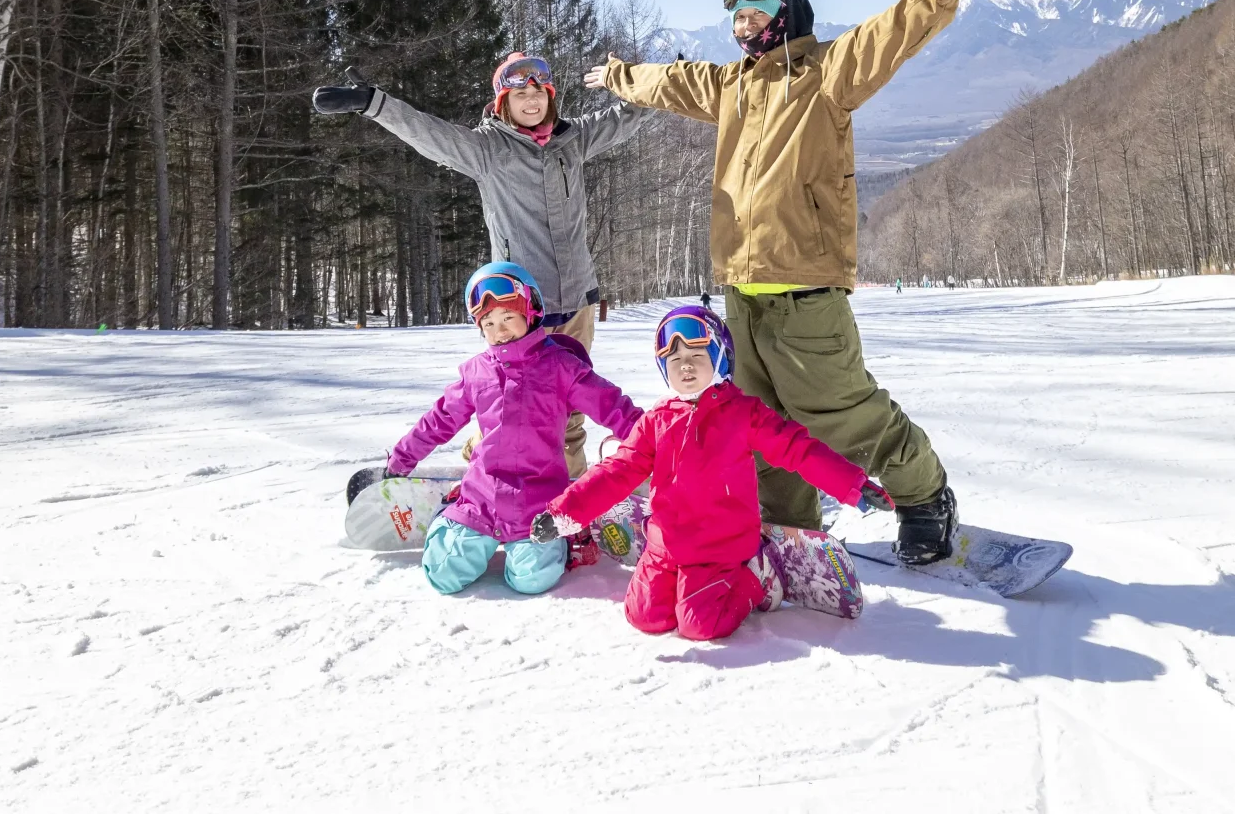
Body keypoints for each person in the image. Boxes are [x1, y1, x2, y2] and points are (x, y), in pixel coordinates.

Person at [581, 0, 1002, 565]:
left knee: (842, 412)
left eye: (756, 14)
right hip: (741, 291)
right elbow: (669, 80)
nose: (745, 26)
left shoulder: (825, 72)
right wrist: (619, 75)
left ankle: (924, 498)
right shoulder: (730, 86)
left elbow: (887, 35)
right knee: (760, 422)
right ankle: (787, 528)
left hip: (805, 285)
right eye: (738, 19)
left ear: (784, 15)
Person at [314, 53, 644, 473]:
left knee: (572, 403)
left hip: (577, 299)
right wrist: (374, 103)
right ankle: (487, 458)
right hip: (520, 308)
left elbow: (630, 113)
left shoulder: (572, 139)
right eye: (520, 94)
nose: (531, 101)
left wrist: (663, 79)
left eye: (539, 93)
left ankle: (569, 490)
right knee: (512, 402)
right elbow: (429, 132)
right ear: (504, 101)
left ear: (550, 97)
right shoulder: (487, 149)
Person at [534, 305, 888, 641]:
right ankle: (680, 583)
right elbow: (617, 470)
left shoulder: (743, 413)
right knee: (644, 616)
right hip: (665, 546)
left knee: (701, 625)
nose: (685, 366)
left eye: (696, 356)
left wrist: (851, 484)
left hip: (720, 547)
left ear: (719, 358)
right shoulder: (656, 421)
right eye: (675, 360)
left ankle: (759, 575)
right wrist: (563, 513)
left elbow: (797, 448)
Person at [383, 260, 644, 596]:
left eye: (508, 317)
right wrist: (402, 459)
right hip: (481, 499)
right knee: (442, 574)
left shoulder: (561, 366)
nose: (500, 330)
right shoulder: (477, 372)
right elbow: (439, 420)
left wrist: (656, 441)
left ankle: (565, 542)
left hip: (538, 504)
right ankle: (451, 510)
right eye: (488, 323)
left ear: (531, 312)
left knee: (531, 579)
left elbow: (612, 406)